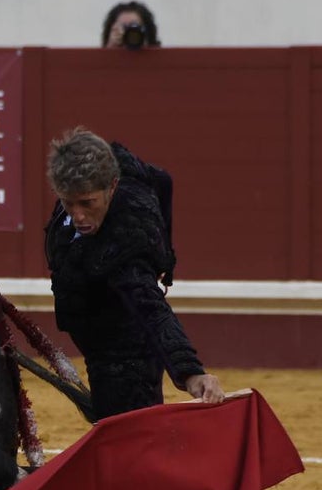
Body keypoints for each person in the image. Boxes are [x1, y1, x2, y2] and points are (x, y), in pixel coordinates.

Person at [44, 126, 224, 420]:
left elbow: (150, 307)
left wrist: (190, 372)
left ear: (112, 187)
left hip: (125, 348)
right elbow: (162, 179)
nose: (77, 216)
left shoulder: (127, 236)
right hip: (93, 330)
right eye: (68, 203)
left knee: (131, 442)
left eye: (88, 203)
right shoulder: (98, 180)